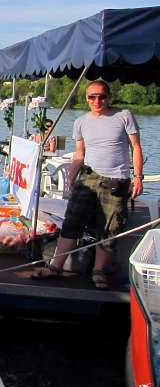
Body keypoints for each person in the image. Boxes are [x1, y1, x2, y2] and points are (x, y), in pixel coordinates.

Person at [31, 81, 144, 289]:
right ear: (86, 98)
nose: (97, 101)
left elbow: (136, 147)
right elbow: (80, 154)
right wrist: (72, 177)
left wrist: (138, 176)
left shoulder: (124, 115)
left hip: (116, 180)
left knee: (109, 228)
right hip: (89, 177)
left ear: (109, 97)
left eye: (101, 96)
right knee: (72, 222)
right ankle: (56, 267)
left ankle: (98, 271)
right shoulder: (81, 122)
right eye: (92, 97)